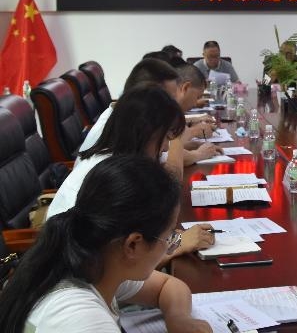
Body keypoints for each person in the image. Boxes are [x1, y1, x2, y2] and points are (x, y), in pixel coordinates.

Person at [0, 155, 211, 332]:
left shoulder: (98, 261)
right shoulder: (81, 320)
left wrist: (178, 317)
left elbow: (167, 286)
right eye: (170, 236)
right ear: (133, 245)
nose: (171, 244)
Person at [48, 86, 215, 257]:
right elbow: (119, 260)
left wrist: (166, 238)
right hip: (72, 262)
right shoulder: (110, 177)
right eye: (166, 137)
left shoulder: (120, 159)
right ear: (145, 132)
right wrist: (178, 243)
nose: (166, 148)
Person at [78, 58, 219, 166]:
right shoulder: (122, 129)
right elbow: (172, 178)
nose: (171, 105)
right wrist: (181, 137)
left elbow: (163, 156)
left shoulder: (130, 121)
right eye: (169, 98)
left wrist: (187, 145)